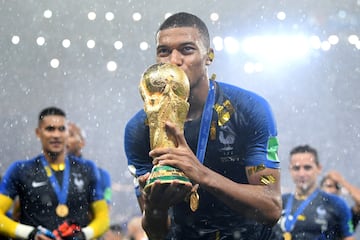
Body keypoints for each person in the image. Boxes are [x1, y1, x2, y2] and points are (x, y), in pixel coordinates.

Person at [124, 12, 282, 239]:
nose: (174, 60)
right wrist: (156, 208)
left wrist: (200, 174)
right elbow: (156, 233)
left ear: (209, 56)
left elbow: (271, 207)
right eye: (164, 51)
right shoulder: (140, 129)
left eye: (187, 49)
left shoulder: (249, 109)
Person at [0, 106, 109, 239]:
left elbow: (103, 218)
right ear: (38, 132)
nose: (56, 135)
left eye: (61, 129)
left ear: (67, 132)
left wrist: (82, 236)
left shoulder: (87, 169)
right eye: (50, 129)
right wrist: (31, 234)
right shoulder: (20, 170)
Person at [272, 145, 355, 239]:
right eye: (296, 168)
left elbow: (349, 237)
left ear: (319, 168)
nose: (301, 174)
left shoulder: (335, 203)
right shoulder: (279, 202)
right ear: (290, 170)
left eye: (307, 168)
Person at [67, 122, 112, 206]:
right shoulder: (44, 170)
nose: (65, 139)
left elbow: (106, 206)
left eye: (70, 135)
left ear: (82, 142)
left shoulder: (102, 174)